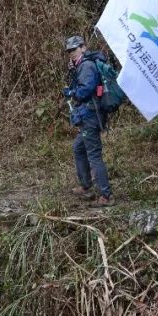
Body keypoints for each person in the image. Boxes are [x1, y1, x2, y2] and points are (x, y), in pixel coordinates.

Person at [63, 35, 112, 206]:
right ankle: (86, 185)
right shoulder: (82, 65)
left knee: (94, 155)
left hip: (90, 115)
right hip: (89, 114)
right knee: (78, 148)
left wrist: (71, 93)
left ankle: (106, 196)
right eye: (69, 51)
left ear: (83, 48)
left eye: (74, 49)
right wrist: (73, 71)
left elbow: (85, 90)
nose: (71, 53)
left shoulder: (87, 65)